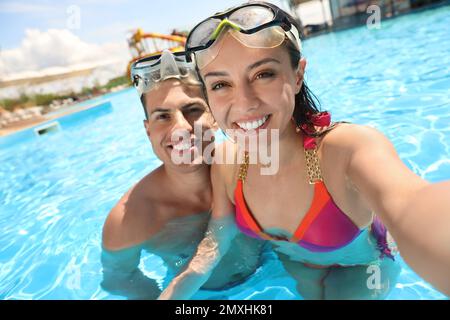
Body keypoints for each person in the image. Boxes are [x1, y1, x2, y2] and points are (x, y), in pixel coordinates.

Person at [159, 2, 450, 299]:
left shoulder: (346, 150)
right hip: (298, 268)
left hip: (364, 268)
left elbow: (413, 206)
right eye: (221, 84)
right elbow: (216, 241)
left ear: (297, 75)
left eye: (263, 74)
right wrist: (171, 294)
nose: (244, 103)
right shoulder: (226, 162)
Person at [101, 50, 265, 299]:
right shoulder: (129, 219)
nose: (180, 128)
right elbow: (121, 280)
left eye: (192, 110)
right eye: (163, 116)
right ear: (148, 131)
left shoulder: (252, 167)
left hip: (272, 275)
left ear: (213, 115)